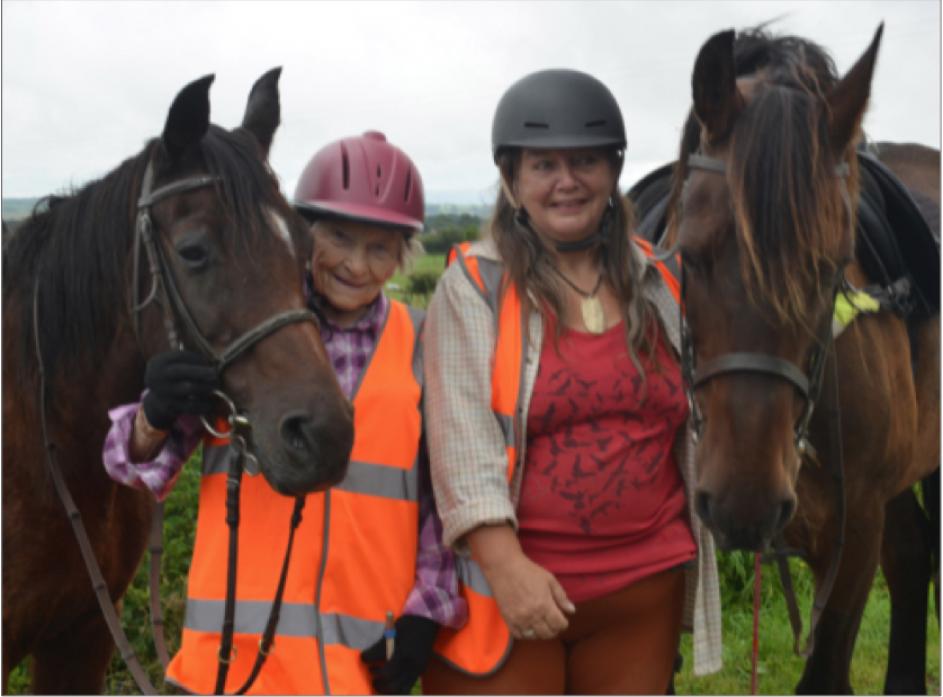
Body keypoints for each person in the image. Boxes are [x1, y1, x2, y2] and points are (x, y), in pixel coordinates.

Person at [101, 131, 466, 695]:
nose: (354, 263)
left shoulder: (421, 342)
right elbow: (138, 461)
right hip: (225, 666)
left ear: (402, 256)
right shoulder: (246, 332)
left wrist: (426, 610)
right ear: (300, 235)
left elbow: (437, 499)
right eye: (338, 238)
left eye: (380, 248)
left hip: (356, 662)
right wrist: (155, 412)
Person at [422, 69, 723, 694]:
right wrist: (506, 568)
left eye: (585, 161)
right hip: (511, 592)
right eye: (544, 165)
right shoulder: (476, 286)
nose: (566, 181)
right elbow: (461, 441)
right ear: (511, 178)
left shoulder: (659, 283)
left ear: (613, 171)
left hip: (644, 591)